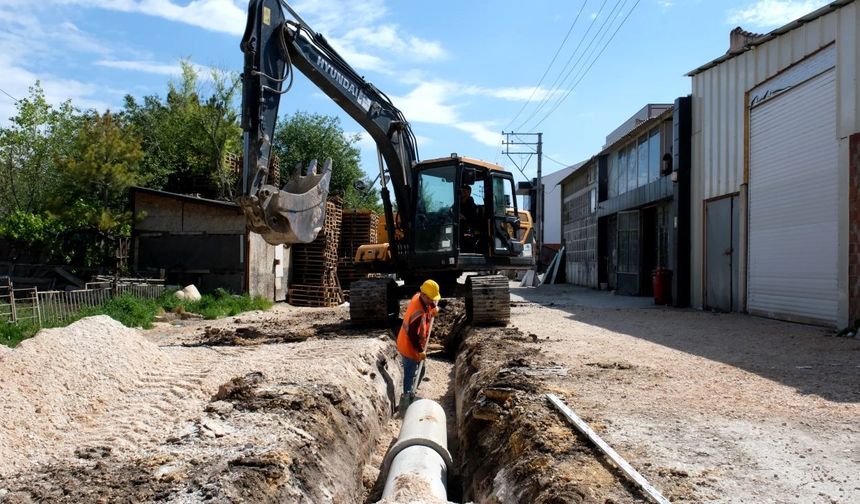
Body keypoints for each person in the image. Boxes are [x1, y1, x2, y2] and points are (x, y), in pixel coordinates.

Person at [396, 279, 441, 409]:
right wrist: (420, 350)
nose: (432, 301)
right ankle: (407, 397)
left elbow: (428, 305)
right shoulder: (417, 312)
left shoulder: (419, 296)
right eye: (431, 299)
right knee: (410, 372)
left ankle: (412, 392)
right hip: (408, 344)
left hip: (414, 342)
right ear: (424, 295)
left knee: (421, 370)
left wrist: (433, 308)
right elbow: (413, 335)